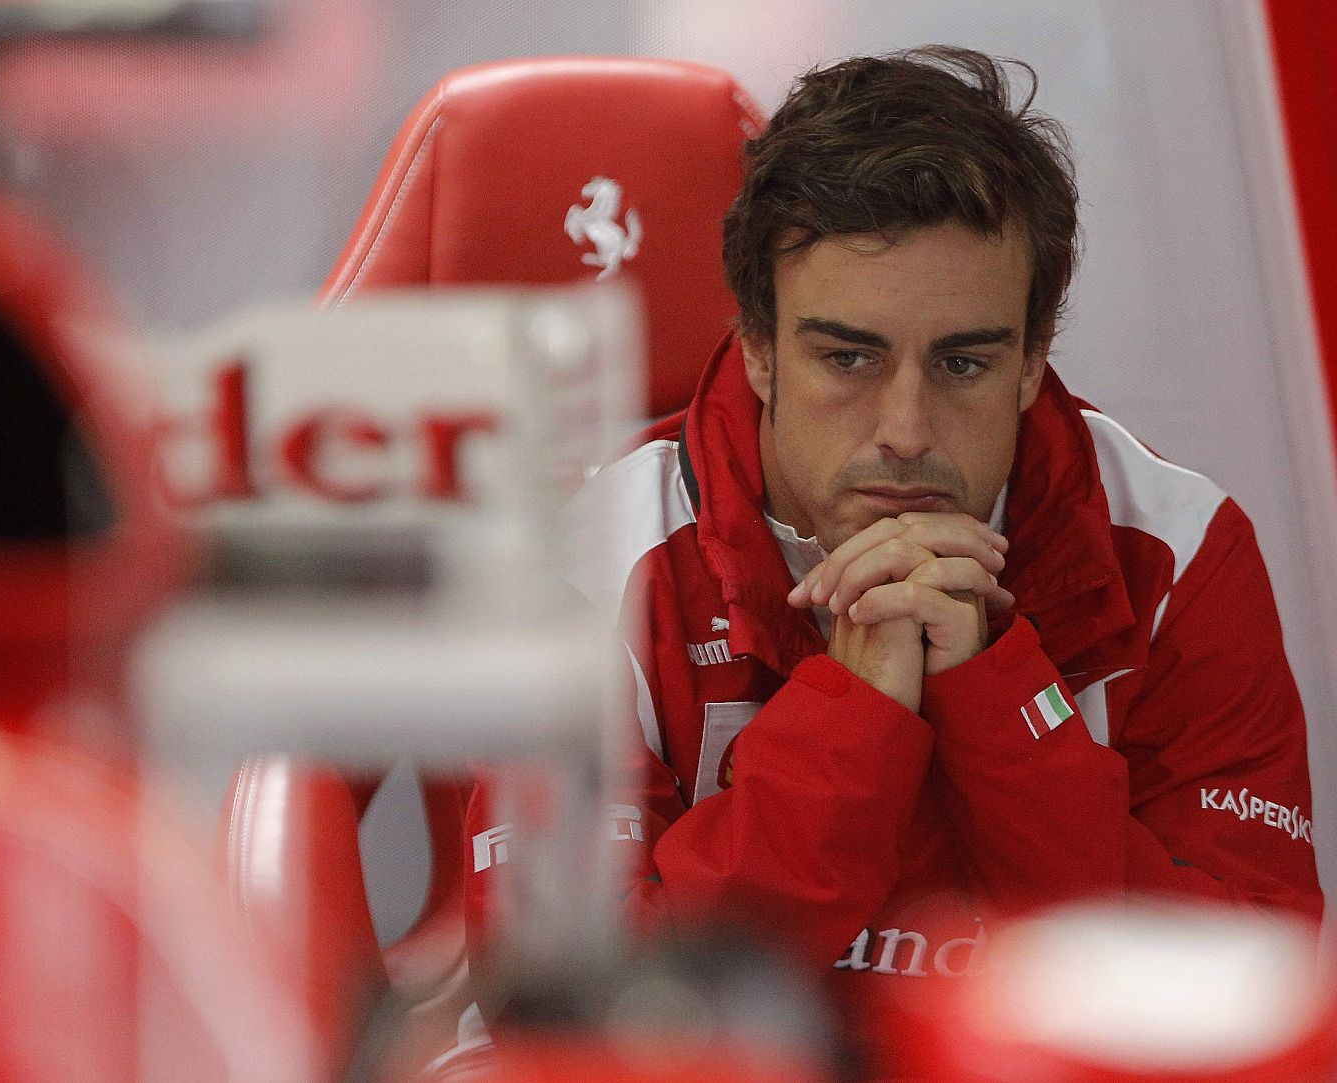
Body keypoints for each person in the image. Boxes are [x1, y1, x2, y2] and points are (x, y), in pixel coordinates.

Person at [464, 46, 1322, 988]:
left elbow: (1250, 992)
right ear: (758, 345)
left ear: (1032, 359)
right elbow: (566, 1003)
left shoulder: (1179, 552)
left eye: (963, 364)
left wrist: (1001, 700)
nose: (906, 432)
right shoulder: (588, 562)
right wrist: (853, 715)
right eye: (848, 359)